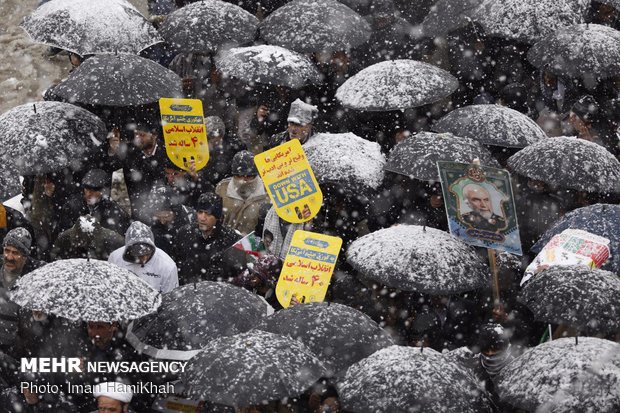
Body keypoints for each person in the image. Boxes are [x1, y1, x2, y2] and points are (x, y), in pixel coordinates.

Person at [174, 193, 245, 284]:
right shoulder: (184, 233)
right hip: (188, 291)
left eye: (208, 214)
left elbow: (240, 273)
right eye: (200, 212)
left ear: (218, 218)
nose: (202, 218)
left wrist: (221, 275)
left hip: (217, 293)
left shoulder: (232, 239)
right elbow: (176, 263)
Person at [0, 228, 44, 359]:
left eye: (15, 253)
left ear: (25, 256)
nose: (9, 257)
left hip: (19, 352)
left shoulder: (38, 278)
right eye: (6, 250)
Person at [108, 221, 179, 293]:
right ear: (128, 251)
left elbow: (170, 298)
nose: (144, 259)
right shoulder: (115, 258)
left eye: (147, 254)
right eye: (139, 255)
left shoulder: (167, 266)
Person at [60, 169, 130, 236]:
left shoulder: (113, 211)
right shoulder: (73, 206)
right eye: (86, 189)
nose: (88, 194)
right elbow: (63, 235)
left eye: (93, 190)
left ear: (103, 192)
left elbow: (117, 239)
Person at [215, 150, 271, 235]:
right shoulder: (222, 189)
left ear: (256, 175)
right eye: (239, 176)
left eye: (248, 176)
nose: (243, 180)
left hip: (254, 245)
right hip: (226, 243)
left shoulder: (269, 192)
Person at [51, 215, 125, 260]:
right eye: (80, 241)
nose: (84, 244)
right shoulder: (64, 238)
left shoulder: (113, 239)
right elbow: (54, 254)